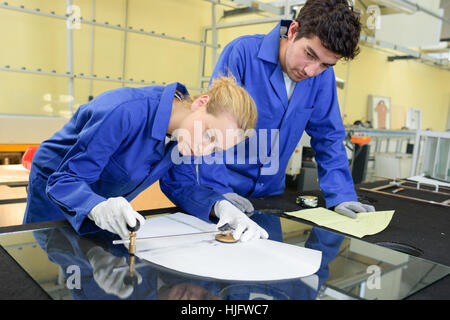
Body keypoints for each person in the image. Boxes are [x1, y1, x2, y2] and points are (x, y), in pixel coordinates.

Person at [160, 0, 375, 235]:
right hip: (222, 195)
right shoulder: (242, 53)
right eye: (309, 54)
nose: (311, 71)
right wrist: (217, 192)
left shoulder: (322, 78)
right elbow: (212, 124)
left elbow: (329, 137)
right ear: (293, 31)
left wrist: (341, 195)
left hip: (271, 199)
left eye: (325, 65)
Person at [24, 76, 268, 241]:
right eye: (209, 135)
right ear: (201, 103)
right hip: (56, 182)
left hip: (104, 193)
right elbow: (65, 179)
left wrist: (220, 206)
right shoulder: (123, 111)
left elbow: (181, 185)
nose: (205, 150)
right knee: (48, 256)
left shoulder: (186, 137)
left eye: (215, 148)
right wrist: (95, 206)